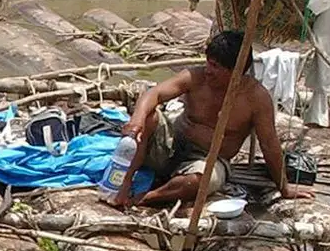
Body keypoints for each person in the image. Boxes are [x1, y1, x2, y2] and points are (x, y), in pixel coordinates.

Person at [110, 29, 311, 209]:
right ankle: (125, 182)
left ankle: (147, 197)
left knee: (198, 182)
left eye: (215, 66)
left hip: (207, 160)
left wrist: (283, 187)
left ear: (235, 72)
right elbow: (153, 94)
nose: (208, 70)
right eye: (208, 62)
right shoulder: (196, 77)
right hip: (170, 146)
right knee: (149, 117)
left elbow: (269, 145)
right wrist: (136, 122)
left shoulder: (256, 98)